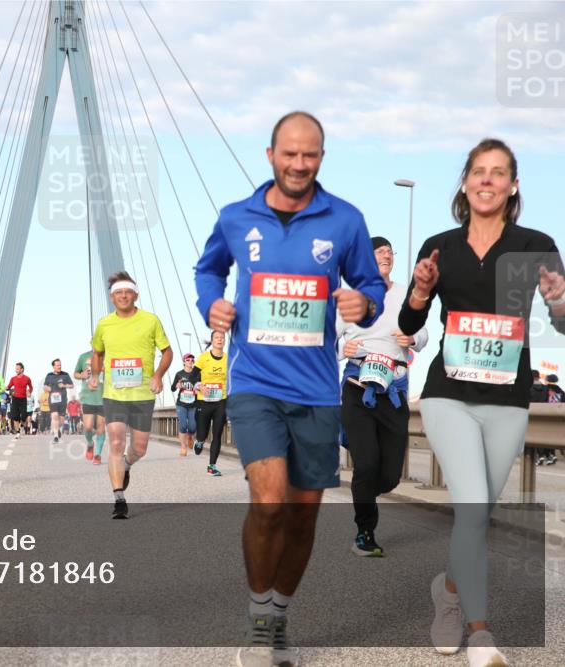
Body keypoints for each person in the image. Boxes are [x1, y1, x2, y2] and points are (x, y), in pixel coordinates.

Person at [194, 111, 386, 667]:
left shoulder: (345, 220)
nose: (299, 164)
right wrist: (211, 303)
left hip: (318, 391)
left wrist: (365, 302)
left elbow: (370, 285)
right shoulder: (236, 217)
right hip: (254, 381)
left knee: (303, 516)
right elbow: (208, 270)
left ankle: (279, 614)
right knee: (271, 498)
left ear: (321, 157)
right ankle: (259, 621)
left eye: (310, 154)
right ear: (270, 155)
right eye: (290, 153)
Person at [398, 138, 564, 665]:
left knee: (478, 515)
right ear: (466, 183)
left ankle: (447, 591)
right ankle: (481, 633)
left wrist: (559, 298)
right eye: (478, 171)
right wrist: (420, 290)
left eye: (498, 172)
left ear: (513, 185)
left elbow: (562, 321)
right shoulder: (439, 247)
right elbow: (409, 322)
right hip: (449, 394)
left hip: (508, 398)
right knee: (472, 508)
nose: (487, 179)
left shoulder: (535, 244)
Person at [336, 236, 429, 556]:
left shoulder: (405, 294)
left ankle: (363, 493)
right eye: (379, 251)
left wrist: (412, 338)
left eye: (390, 251)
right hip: (358, 386)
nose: (386, 254)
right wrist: (343, 347)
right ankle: (365, 532)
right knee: (367, 463)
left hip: (394, 391)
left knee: (388, 477)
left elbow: (423, 332)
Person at [89, 271, 173, 520]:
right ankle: (119, 499)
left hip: (142, 394)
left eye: (128, 292)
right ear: (112, 297)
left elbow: (167, 352)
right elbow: (97, 353)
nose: (123, 296)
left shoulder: (150, 320)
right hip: (114, 394)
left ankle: (127, 464)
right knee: (116, 443)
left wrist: (158, 375)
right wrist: (95, 375)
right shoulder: (104, 324)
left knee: (139, 448)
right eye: (118, 292)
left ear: (136, 295)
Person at [193, 330, 229, 476]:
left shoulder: (228, 359)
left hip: (221, 400)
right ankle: (199, 441)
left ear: (224, 341)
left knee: (217, 434)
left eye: (222, 338)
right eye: (217, 337)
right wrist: (199, 386)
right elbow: (193, 376)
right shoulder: (203, 358)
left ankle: (212, 466)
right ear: (212, 341)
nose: (220, 340)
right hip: (204, 401)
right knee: (202, 433)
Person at [75, 349, 107, 463]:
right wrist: (81, 375)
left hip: (104, 397)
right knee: (88, 427)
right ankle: (90, 443)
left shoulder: (109, 354)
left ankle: (97, 455)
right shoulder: (84, 356)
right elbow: (75, 374)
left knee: (101, 426)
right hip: (88, 397)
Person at [170, 353, 200, 457]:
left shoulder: (198, 374)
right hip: (181, 404)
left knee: (192, 427)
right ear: (184, 362)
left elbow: (201, 386)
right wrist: (176, 385)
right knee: (183, 426)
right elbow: (172, 388)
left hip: (193, 405)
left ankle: (190, 436)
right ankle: (183, 447)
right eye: (188, 360)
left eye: (192, 360)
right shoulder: (179, 374)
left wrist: (199, 390)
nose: (190, 361)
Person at [43, 359, 75, 443]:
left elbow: (72, 385)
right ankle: (56, 435)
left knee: (61, 419)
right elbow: (45, 386)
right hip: (53, 399)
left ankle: (57, 429)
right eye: (57, 365)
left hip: (63, 400)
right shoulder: (49, 375)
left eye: (60, 365)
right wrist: (47, 388)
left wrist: (64, 385)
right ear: (53, 366)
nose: (59, 366)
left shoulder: (65, 375)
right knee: (54, 416)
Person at [5, 362, 33, 436]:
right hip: (15, 399)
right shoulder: (13, 379)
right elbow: (8, 387)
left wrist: (29, 392)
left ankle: (22, 426)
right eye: (16, 369)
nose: (16, 370)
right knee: (15, 417)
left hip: (23, 399)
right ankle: (18, 431)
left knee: (24, 416)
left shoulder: (27, 378)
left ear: (22, 369)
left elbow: (31, 387)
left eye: (17, 369)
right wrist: (4, 388)